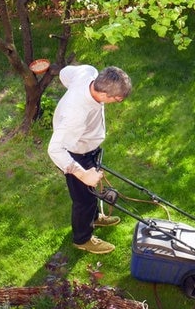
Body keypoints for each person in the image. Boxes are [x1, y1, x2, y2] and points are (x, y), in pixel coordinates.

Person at [48, 64, 132, 254]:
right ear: (104, 95)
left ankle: (94, 218)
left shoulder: (89, 73)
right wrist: (82, 174)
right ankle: (82, 239)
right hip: (75, 154)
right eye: (117, 100)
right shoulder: (76, 114)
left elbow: (64, 73)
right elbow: (55, 149)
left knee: (90, 192)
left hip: (89, 147)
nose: (118, 102)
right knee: (83, 199)